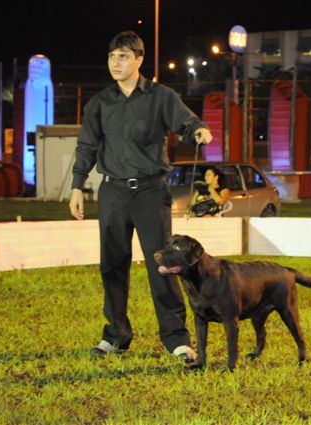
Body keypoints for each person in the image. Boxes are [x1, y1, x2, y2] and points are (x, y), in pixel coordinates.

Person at [69, 31, 213, 363]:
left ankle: (176, 339)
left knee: (164, 265)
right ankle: (116, 335)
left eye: (122, 56)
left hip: (150, 191)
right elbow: (87, 146)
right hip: (113, 192)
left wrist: (198, 130)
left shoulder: (160, 96)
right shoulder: (99, 103)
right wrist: (77, 185)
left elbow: (187, 121)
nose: (115, 63)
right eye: (111, 56)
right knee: (112, 266)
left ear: (139, 59)